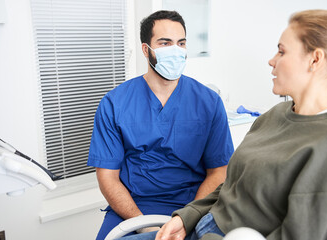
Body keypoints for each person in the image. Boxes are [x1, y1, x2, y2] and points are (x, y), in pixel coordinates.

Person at [119, 9, 327, 240]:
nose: (271, 61)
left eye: (281, 52)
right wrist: (185, 218)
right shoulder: (275, 115)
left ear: (315, 59)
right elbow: (231, 187)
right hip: (195, 226)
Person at [87, 10, 234, 240]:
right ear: (146, 50)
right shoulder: (114, 104)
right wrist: (144, 227)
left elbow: (219, 172)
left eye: (181, 43)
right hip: (133, 206)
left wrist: (188, 217)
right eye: (165, 43)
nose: (175, 51)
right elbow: (108, 178)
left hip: (193, 203)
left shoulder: (208, 102)